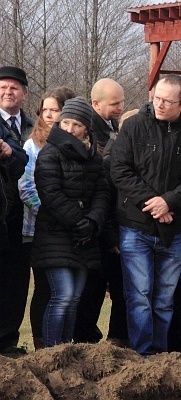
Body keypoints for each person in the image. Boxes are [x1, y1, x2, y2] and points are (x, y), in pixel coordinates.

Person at [111, 74, 181, 356]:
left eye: (167, 101)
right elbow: (120, 170)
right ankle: (142, 354)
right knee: (139, 296)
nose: (160, 104)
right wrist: (153, 203)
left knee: (165, 299)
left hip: (173, 228)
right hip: (135, 225)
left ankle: (160, 354)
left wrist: (169, 202)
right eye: (157, 98)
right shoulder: (134, 126)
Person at [30, 97, 110, 348]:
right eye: (66, 123)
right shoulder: (49, 153)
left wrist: (93, 222)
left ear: (86, 127)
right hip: (55, 235)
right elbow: (50, 194)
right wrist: (79, 223)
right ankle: (52, 352)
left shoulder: (93, 157)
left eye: (77, 124)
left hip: (84, 237)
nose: (70, 129)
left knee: (75, 297)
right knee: (62, 295)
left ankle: (67, 350)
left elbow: (102, 192)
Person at [18, 86, 76, 350]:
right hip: (39, 227)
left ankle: (65, 343)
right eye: (46, 110)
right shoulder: (33, 144)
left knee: (68, 292)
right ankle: (43, 346)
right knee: (44, 288)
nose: (50, 115)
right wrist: (51, 213)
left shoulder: (78, 144)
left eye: (56, 109)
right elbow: (26, 187)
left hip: (71, 229)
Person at [73, 78, 128, 347]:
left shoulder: (112, 127)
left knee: (117, 287)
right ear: (95, 103)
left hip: (111, 223)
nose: (120, 107)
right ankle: (88, 338)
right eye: (114, 103)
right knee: (93, 288)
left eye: (121, 102)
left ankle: (113, 338)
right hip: (99, 225)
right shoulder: (92, 134)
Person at [0, 65, 32, 355]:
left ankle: (8, 339)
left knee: (17, 280)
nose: (8, 92)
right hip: (2, 210)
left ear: (23, 93)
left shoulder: (34, 127)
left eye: (14, 88)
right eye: (3, 88)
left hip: (28, 216)